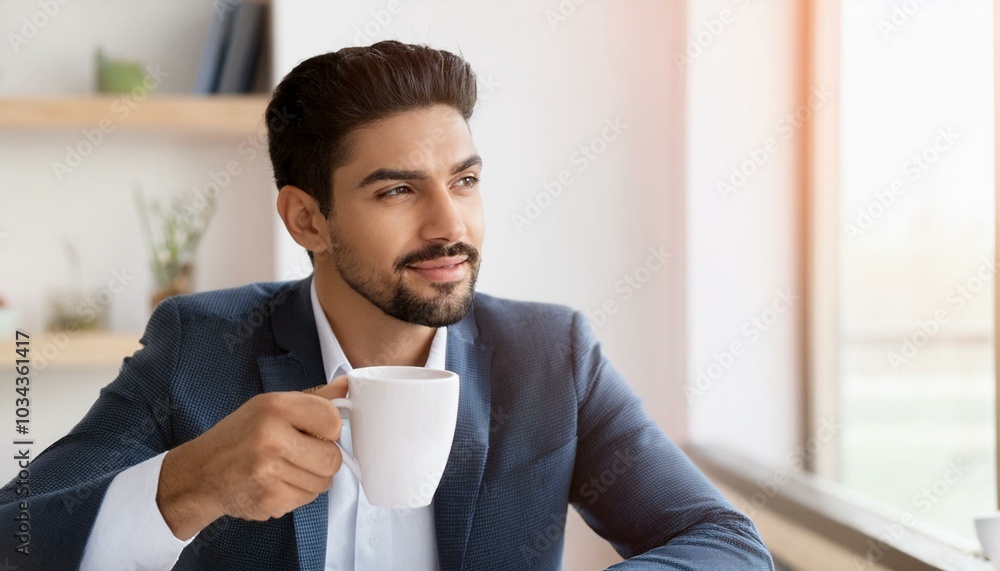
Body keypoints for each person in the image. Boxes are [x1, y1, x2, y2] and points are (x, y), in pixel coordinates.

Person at [0, 41, 774, 570]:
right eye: (398, 189)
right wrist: (188, 484)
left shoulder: (551, 354)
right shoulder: (200, 344)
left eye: (465, 181)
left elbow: (724, 540)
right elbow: (17, 536)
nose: (449, 226)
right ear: (308, 219)